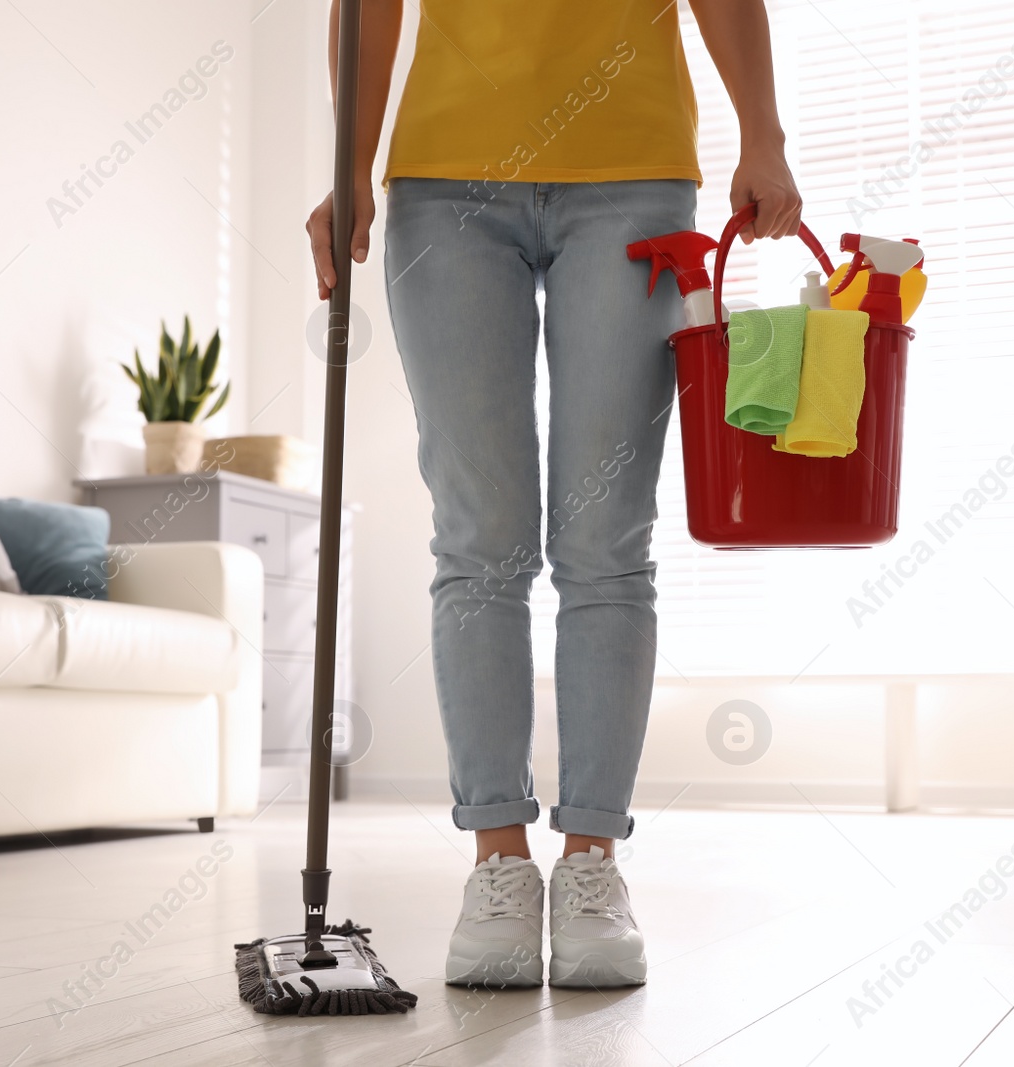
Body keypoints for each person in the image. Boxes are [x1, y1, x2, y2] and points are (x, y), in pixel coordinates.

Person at [307, 0, 801, 989]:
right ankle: (497, 862)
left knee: (605, 535)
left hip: (634, 176)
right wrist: (348, 166)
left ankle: (591, 864)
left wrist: (763, 136)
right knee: (479, 534)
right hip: (445, 184)